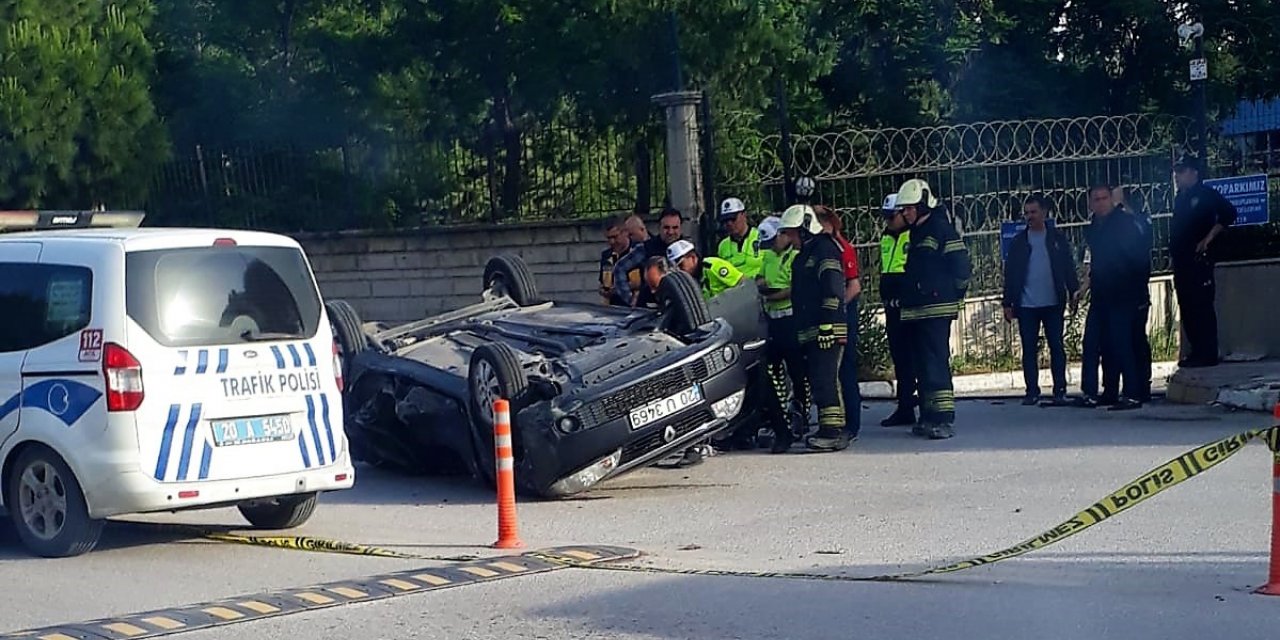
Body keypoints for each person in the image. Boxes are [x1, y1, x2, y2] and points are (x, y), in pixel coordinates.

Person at [896, 179, 971, 440]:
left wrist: (953, 293)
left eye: (909, 208)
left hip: (936, 308)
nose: (905, 213)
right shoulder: (917, 232)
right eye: (903, 209)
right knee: (922, 364)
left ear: (923, 205)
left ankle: (943, 418)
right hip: (918, 309)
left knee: (936, 362)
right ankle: (928, 415)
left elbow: (961, 267)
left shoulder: (940, 229)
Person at [777, 203, 850, 452]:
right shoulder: (804, 255)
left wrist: (828, 324)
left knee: (826, 378)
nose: (789, 238)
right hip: (811, 329)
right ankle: (827, 428)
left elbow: (832, 288)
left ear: (805, 229)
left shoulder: (825, 250)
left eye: (792, 232)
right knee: (818, 380)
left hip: (827, 328)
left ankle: (833, 431)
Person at [1001, 194, 1079, 406]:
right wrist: (1007, 303)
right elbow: (1011, 274)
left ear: (1044, 213)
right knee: (1029, 349)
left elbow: (1068, 267)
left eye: (1034, 212)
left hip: (1053, 302)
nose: (1030, 217)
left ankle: (1060, 389)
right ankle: (1032, 391)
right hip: (1026, 305)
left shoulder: (1056, 238)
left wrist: (1074, 291)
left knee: (1056, 346)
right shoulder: (1019, 242)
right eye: (1026, 213)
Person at [1079, 183, 1149, 411]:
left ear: (1112, 200)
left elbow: (1139, 260)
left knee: (1122, 344)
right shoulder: (1093, 226)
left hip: (1124, 293)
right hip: (1100, 294)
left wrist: (1138, 292)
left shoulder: (1124, 223)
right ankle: (1099, 392)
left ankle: (1132, 393)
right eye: (1095, 199)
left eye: (1104, 198)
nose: (1100, 203)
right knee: (1094, 343)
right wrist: (1086, 285)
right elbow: (1092, 260)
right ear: (1090, 203)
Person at [1171, 154, 1237, 368]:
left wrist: (1208, 239)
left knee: (1201, 307)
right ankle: (1196, 352)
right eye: (1176, 172)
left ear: (1193, 173)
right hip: (1182, 262)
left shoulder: (1206, 194)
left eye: (1181, 172)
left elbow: (1229, 214)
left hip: (1199, 261)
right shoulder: (1180, 198)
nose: (1177, 176)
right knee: (1187, 306)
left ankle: (1207, 353)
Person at [757, 215, 808, 453]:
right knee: (772, 369)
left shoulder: (795, 256)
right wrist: (760, 285)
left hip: (791, 318)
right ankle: (781, 420)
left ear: (783, 235)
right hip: (772, 320)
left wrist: (770, 295)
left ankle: (802, 416)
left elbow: (793, 288)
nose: (770, 246)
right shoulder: (768, 254)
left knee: (798, 371)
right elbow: (760, 276)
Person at [814, 205, 863, 442]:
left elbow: (854, 286)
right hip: (828, 316)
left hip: (843, 315)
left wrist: (836, 305)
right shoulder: (819, 249)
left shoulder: (842, 249)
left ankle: (851, 424)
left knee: (845, 371)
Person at [610, 212, 674, 308]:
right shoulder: (645, 248)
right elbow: (619, 268)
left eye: (631, 234)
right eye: (666, 228)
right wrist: (630, 299)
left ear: (642, 229)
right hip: (651, 303)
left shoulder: (647, 247)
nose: (671, 232)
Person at [668, 239, 744, 299]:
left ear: (692, 257)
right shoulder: (688, 280)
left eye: (681, 265)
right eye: (676, 269)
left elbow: (742, 284)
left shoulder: (713, 266)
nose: (679, 271)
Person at [717, 197, 764, 279]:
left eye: (733, 219)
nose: (729, 223)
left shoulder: (761, 238)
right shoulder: (723, 246)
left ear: (744, 215)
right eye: (725, 220)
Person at [599, 215, 641, 306]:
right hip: (614, 309)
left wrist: (625, 286)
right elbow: (602, 283)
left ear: (625, 232)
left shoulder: (639, 251)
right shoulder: (606, 255)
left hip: (637, 306)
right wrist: (603, 290)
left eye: (615, 237)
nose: (612, 242)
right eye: (608, 238)